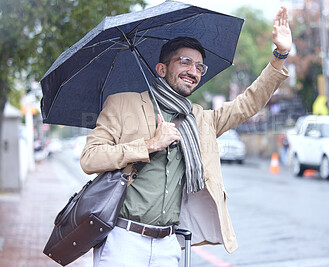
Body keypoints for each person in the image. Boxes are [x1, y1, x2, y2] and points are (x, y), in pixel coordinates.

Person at [80, 6, 292, 267]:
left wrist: (279, 56)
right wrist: (149, 144)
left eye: (200, 66)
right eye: (185, 62)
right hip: (123, 239)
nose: (194, 71)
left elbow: (248, 103)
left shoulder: (201, 118)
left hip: (169, 243)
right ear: (161, 68)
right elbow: (89, 159)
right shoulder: (122, 104)